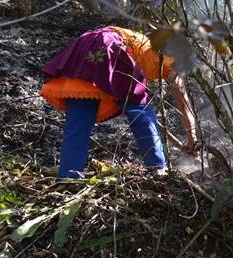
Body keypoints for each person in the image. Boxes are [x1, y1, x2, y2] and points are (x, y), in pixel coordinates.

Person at [40, 26, 198, 179]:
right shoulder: (170, 58)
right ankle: (158, 168)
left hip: (86, 44)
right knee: (140, 109)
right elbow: (181, 103)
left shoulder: (145, 44)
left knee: (79, 124)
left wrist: (188, 140)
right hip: (109, 45)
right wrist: (193, 139)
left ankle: (68, 177)